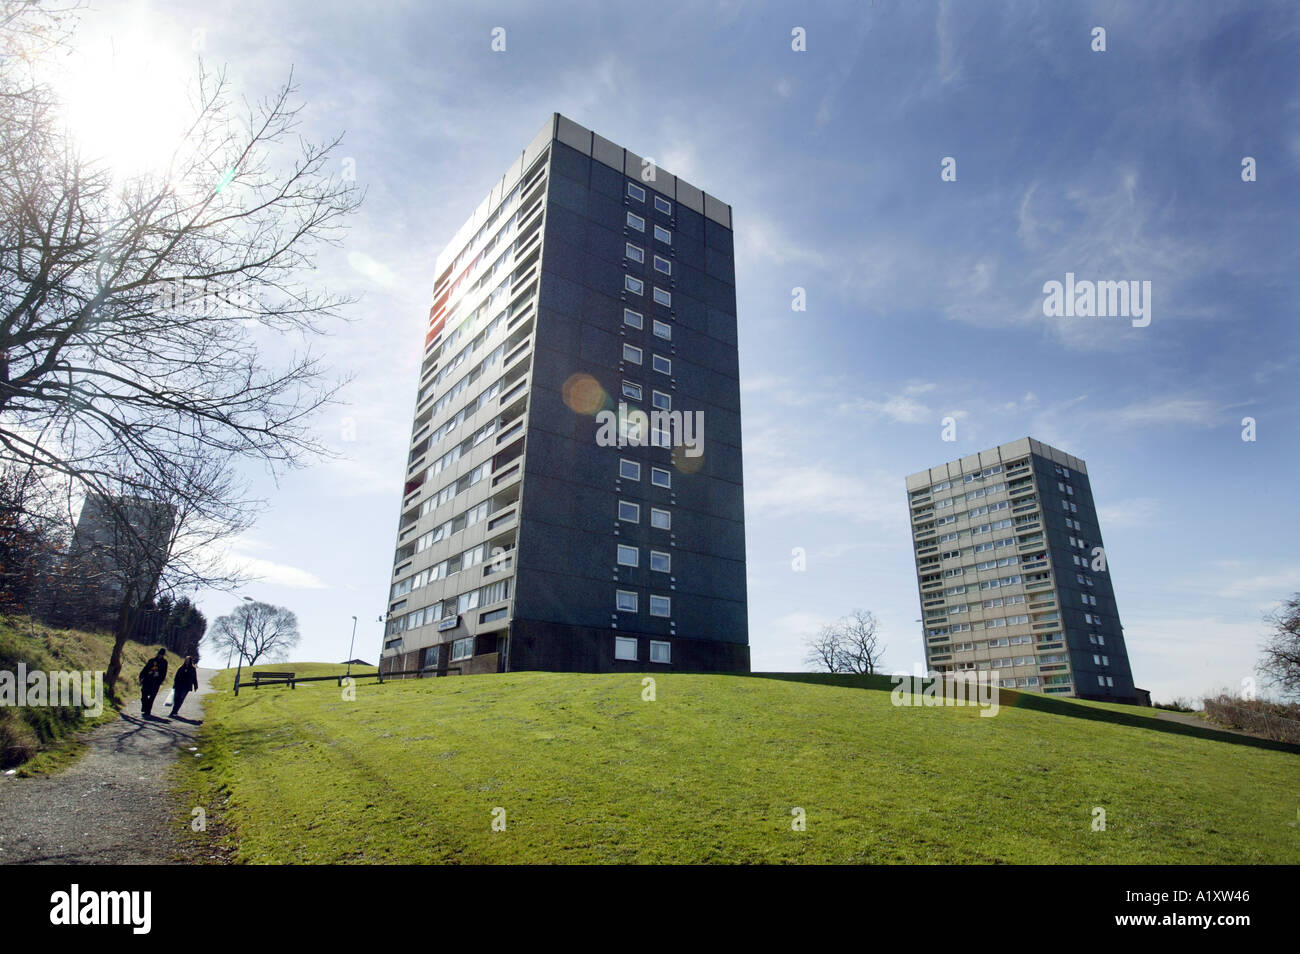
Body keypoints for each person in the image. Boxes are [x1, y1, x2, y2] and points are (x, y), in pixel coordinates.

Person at [139, 649, 168, 718]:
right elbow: (145, 668)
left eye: (161, 655)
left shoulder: (164, 662)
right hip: (147, 680)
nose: (160, 655)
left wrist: (160, 680)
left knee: (152, 697)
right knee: (144, 695)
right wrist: (141, 676)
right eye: (159, 654)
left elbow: (164, 673)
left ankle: (148, 711)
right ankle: (144, 707)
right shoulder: (152, 660)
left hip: (156, 682)